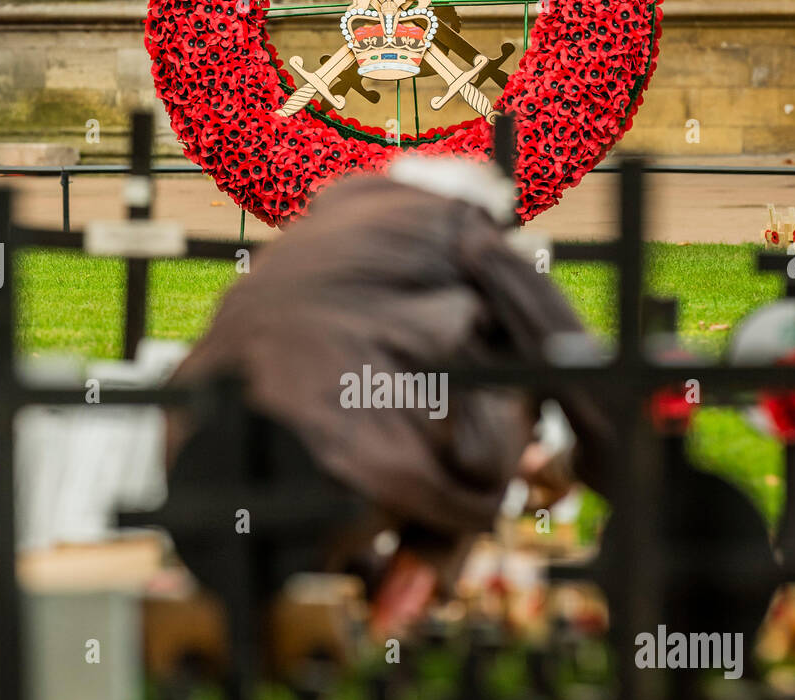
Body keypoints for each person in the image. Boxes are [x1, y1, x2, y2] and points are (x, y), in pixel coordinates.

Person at [165, 155, 613, 632]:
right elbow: (566, 353)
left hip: (192, 467)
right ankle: (411, 585)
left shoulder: (309, 235)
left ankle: (355, 584)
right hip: (341, 466)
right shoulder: (457, 222)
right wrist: (597, 465)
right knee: (507, 369)